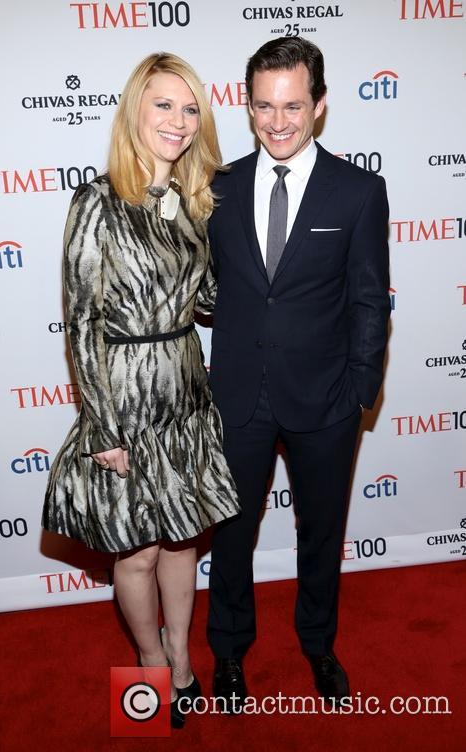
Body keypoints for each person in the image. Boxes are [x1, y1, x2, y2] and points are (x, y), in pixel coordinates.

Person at [42, 51, 240, 728]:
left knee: (182, 540)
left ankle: (183, 661)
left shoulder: (194, 201)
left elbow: (209, 299)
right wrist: (101, 428)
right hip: (123, 395)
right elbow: (81, 320)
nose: (178, 121)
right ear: (135, 109)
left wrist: (224, 232)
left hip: (184, 383)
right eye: (164, 104)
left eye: (190, 110)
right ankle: (150, 662)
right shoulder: (97, 200)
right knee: (138, 547)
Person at [206, 36, 390, 709]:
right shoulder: (217, 188)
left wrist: (360, 390)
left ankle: (318, 643)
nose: (277, 121)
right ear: (247, 105)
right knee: (230, 535)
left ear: (319, 106)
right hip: (238, 400)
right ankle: (228, 652)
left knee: (321, 532)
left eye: (292, 106)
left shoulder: (359, 191)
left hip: (326, 402)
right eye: (263, 106)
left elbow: (371, 298)